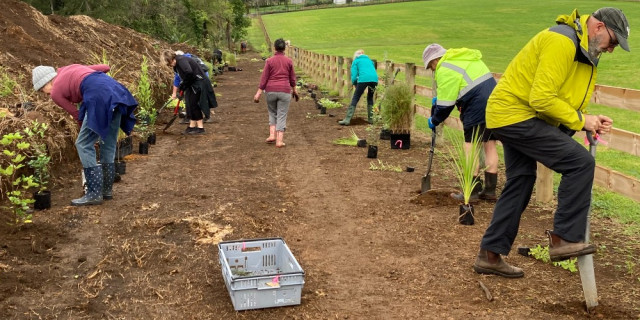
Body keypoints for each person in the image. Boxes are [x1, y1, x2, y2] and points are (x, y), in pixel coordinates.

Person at [473, 7, 629, 278]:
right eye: (613, 42)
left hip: (515, 115)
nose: (612, 49)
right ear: (599, 27)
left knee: (521, 179)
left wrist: (586, 119)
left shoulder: (584, 51)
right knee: (580, 163)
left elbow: (565, 97)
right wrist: (581, 121)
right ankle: (564, 239)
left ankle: (490, 255)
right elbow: (542, 98)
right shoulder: (562, 41)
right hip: (515, 115)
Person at [32, 64, 137, 206]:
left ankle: (94, 193)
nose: (46, 94)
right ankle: (106, 191)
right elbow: (105, 67)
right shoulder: (69, 68)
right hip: (116, 92)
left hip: (99, 97)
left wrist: (88, 134)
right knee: (108, 143)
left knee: (83, 144)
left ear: (46, 82)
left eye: (42, 90)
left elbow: (76, 114)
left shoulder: (55, 92)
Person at [422, 43, 499, 201]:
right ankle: (490, 191)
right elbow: (464, 85)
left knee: (470, 146)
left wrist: (434, 119)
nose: (433, 70)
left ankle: (472, 192)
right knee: (489, 143)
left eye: (431, 67)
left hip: (477, 105)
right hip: (494, 101)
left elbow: (445, 106)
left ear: (435, 60)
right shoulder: (463, 58)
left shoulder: (445, 68)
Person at [254, 38, 297, 148]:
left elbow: (264, 78)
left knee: (272, 112)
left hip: (270, 90)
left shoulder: (269, 61)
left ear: (274, 48)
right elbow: (292, 79)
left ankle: (272, 135)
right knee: (282, 115)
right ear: (284, 48)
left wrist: (258, 93)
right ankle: (279, 141)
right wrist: (295, 90)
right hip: (284, 90)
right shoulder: (289, 61)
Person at [162, 50, 218, 135]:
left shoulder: (181, 61)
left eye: (169, 63)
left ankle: (200, 128)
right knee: (190, 104)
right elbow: (184, 77)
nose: (170, 65)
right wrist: (182, 88)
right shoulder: (177, 64)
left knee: (194, 104)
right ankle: (192, 126)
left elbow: (189, 73)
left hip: (198, 83)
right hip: (192, 84)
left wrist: (183, 85)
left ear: (171, 58)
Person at [170, 51, 213, 124]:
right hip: (194, 80)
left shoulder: (182, 62)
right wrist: (175, 92)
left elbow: (187, 74)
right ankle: (191, 118)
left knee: (198, 100)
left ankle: (205, 117)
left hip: (199, 80)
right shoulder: (183, 60)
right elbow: (178, 78)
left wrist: (183, 86)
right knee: (190, 100)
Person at [338, 49, 378, 125]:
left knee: (355, 97)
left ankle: (347, 119)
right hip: (374, 80)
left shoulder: (356, 61)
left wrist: (355, 84)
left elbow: (354, 75)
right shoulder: (369, 61)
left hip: (363, 79)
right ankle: (371, 119)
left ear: (356, 56)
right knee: (370, 97)